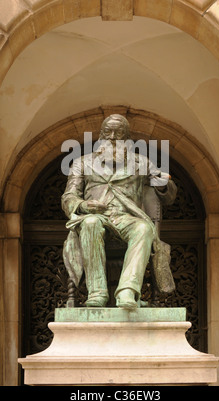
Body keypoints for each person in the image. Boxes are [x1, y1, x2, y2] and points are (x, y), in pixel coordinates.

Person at [61, 114, 177, 309]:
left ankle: (127, 292)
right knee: (90, 223)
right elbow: (68, 197)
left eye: (119, 132)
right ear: (101, 135)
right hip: (95, 216)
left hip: (127, 218)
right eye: (108, 132)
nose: (113, 136)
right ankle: (97, 293)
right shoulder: (81, 163)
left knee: (143, 228)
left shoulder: (141, 162)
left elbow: (168, 196)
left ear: (127, 137)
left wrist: (164, 185)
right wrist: (83, 206)